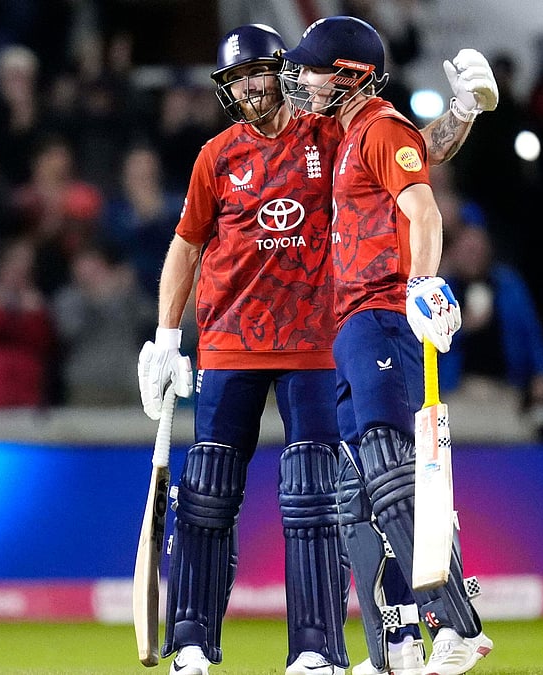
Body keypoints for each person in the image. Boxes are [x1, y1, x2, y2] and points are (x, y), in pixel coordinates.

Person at [136, 22, 496, 675]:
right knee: (216, 492)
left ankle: (329, 646)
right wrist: (165, 337)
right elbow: (185, 245)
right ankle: (195, 640)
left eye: (262, 72)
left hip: (324, 337)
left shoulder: (335, 131)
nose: (254, 88)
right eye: (237, 79)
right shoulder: (219, 155)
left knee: (326, 491)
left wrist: (463, 112)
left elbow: (417, 155)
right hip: (235, 340)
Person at [280, 15, 492, 675]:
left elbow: (423, 208)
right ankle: (391, 652)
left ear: (349, 75)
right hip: (350, 322)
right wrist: (462, 113)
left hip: (382, 313)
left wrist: (424, 284)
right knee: (359, 495)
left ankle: (457, 627)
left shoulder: (377, 125)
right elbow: (424, 150)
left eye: (314, 69)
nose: (303, 80)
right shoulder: (354, 134)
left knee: (392, 476)